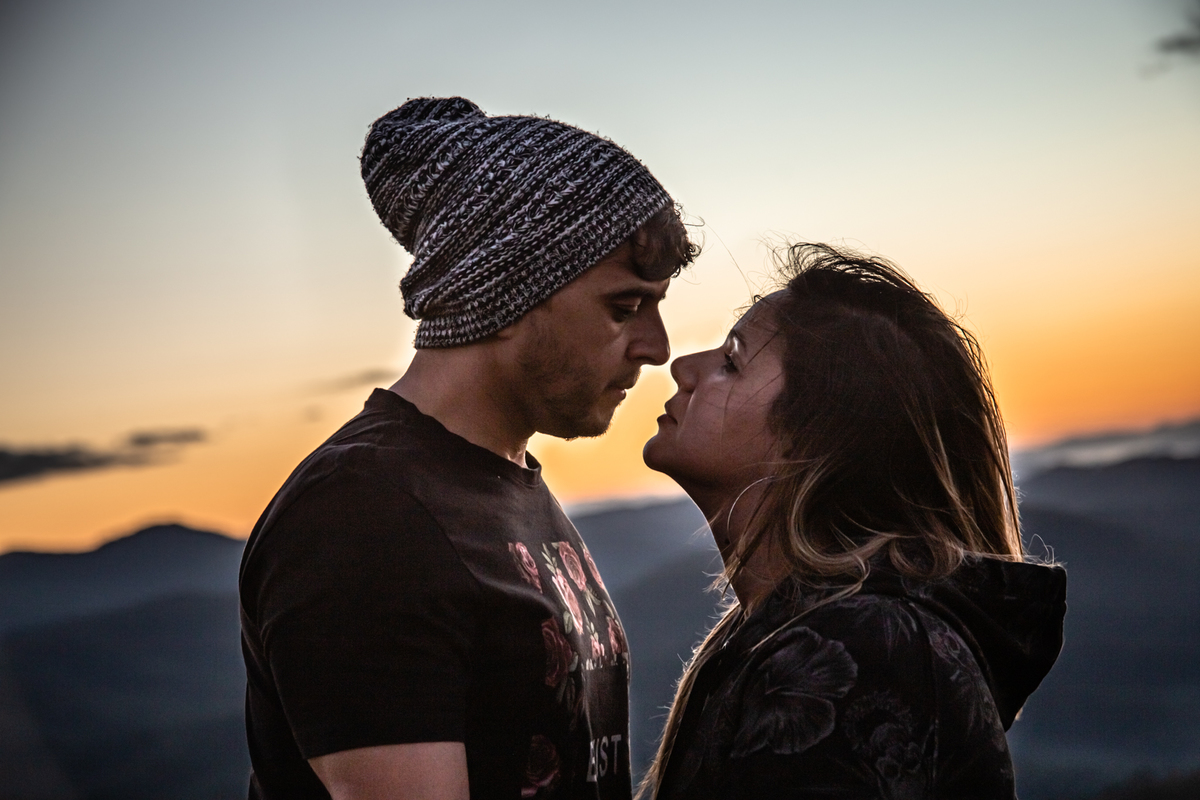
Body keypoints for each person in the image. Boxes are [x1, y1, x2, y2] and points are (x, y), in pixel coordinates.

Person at [239, 97, 697, 800]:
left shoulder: (503, 485)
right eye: (625, 308)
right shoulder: (363, 516)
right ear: (507, 292)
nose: (658, 348)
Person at [639, 244, 1067, 799]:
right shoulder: (799, 631)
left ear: (813, 438)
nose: (682, 368)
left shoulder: (862, 652)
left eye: (731, 362)